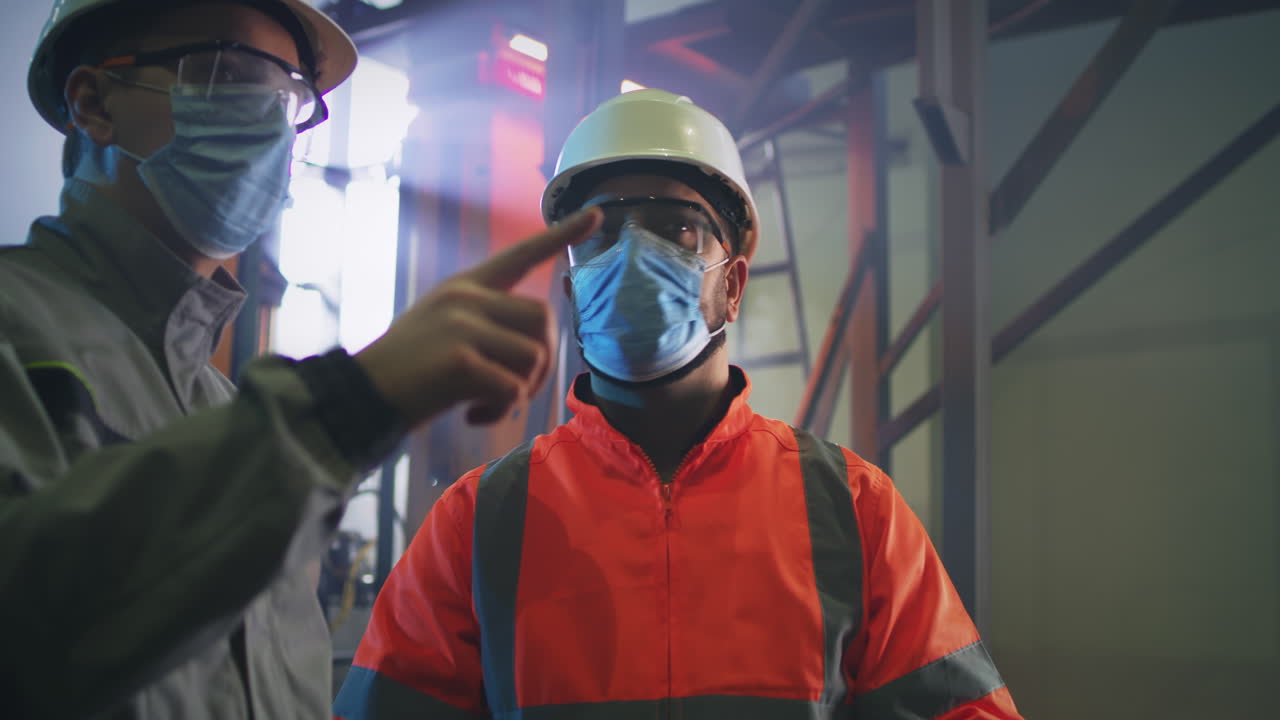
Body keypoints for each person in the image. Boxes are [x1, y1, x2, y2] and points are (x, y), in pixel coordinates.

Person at [335, 89, 1022, 718]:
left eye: (678, 229)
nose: (633, 253)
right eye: (597, 234)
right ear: (571, 292)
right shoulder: (479, 520)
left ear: (735, 284)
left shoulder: (853, 510)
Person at [0, 0, 601, 717]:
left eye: (290, 101)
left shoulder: (224, 409)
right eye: (232, 75)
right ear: (93, 103)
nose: (269, 123)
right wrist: (347, 404)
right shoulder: (19, 336)